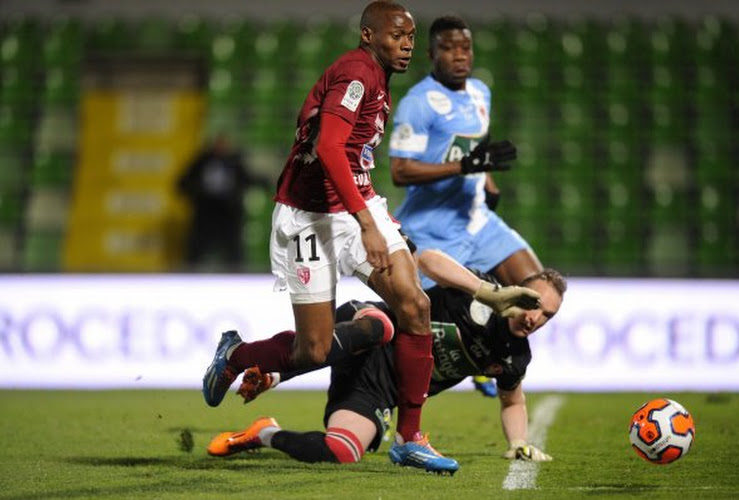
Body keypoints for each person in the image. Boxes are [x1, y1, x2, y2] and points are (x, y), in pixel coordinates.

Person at [202, 1, 459, 473]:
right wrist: (366, 224)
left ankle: (410, 436)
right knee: (313, 350)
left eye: (410, 37)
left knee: (414, 304)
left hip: (357, 202)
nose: (406, 45)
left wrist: (366, 214)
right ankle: (235, 354)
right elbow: (328, 147)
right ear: (367, 36)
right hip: (310, 216)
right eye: (396, 36)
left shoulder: (374, 75)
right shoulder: (357, 72)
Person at [206, 248, 566, 471]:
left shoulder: (514, 356)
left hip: (378, 389)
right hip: (370, 325)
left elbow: (513, 399)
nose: (534, 317)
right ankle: (252, 361)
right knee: (383, 328)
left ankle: (262, 433)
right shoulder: (482, 293)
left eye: (546, 315)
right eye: (532, 302)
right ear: (519, 290)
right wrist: (489, 291)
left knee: (343, 451)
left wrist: (517, 443)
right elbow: (427, 260)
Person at [388, 15, 545, 398]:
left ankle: (492, 359)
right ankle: (399, 393)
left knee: (537, 293)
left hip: (477, 219)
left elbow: (476, 149)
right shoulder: (418, 104)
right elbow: (400, 171)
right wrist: (463, 167)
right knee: (427, 328)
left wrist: (486, 182)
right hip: (433, 228)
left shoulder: (479, 92)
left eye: (465, 47)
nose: (459, 56)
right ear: (431, 54)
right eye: (448, 48)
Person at [177, 133, 261, 271]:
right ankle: (187, 278)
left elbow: (247, 179)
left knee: (234, 251)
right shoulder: (202, 161)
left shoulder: (234, 162)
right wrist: (198, 194)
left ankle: (239, 280)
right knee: (196, 250)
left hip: (228, 212)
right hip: (206, 211)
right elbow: (183, 183)